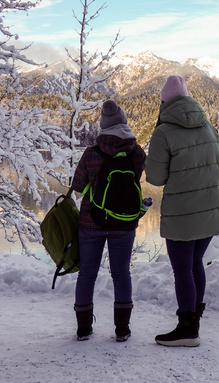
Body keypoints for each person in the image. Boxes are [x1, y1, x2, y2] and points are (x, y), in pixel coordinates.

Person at [145, 75, 219, 347]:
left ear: (163, 101)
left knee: (182, 269)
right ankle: (193, 322)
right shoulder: (208, 126)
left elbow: (155, 178)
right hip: (212, 208)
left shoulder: (164, 132)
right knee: (195, 264)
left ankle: (186, 329)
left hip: (183, 213)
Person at [71, 100, 146, 342]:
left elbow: (78, 187)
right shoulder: (137, 153)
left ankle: (84, 329)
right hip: (124, 222)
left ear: (102, 126)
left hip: (91, 222)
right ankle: (122, 330)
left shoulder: (92, 153)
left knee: (87, 275)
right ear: (123, 123)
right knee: (121, 273)